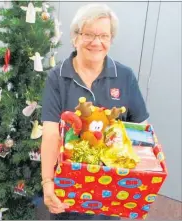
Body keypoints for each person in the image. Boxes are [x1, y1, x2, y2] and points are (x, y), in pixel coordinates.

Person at [40, 3, 149, 220]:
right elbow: (51, 133)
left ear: (111, 39)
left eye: (104, 36)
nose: (97, 42)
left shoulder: (125, 76)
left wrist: (139, 189)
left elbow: (142, 132)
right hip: (69, 184)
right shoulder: (57, 77)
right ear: (75, 36)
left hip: (111, 188)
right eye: (88, 34)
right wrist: (48, 181)